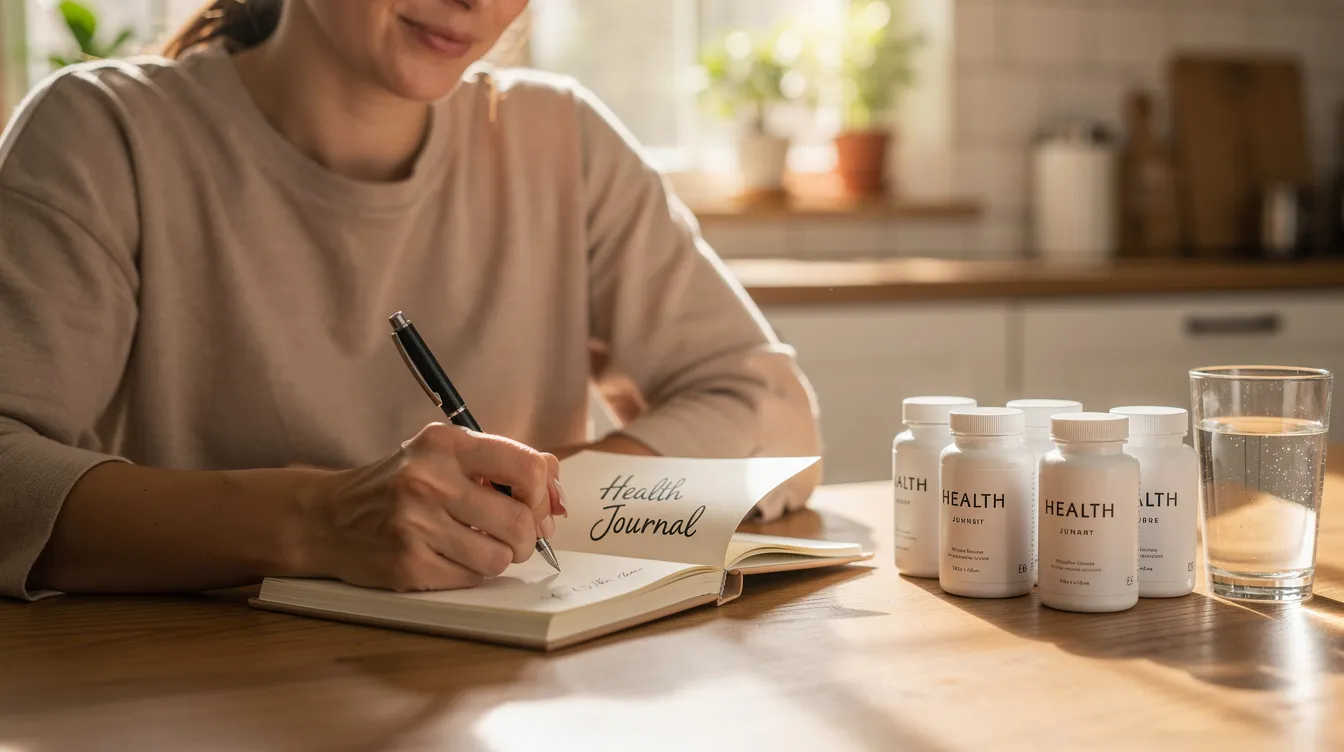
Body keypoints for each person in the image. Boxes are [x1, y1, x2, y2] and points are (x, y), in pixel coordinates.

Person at [0, 0, 821, 601]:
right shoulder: (103, 133)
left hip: (514, 703)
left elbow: (773, 408)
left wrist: (524, 502)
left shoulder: (562, 141)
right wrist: (319, 520)